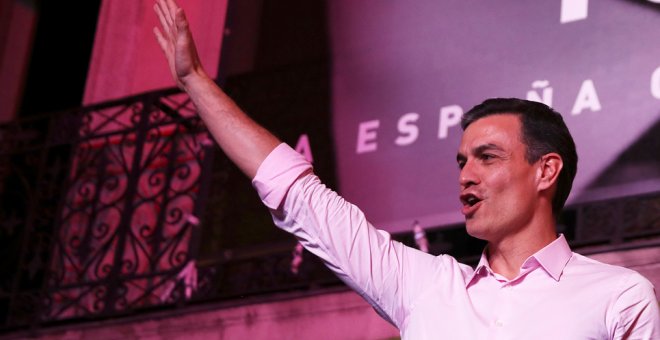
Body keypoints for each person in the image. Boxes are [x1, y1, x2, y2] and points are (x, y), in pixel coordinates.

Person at [153, 0, 660, 338]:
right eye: (462, 161)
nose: (465, 176)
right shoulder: (426, 286)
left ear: (546, 171)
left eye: (487, 157)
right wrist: (195, 81)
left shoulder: (618, 297)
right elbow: (297, 192)